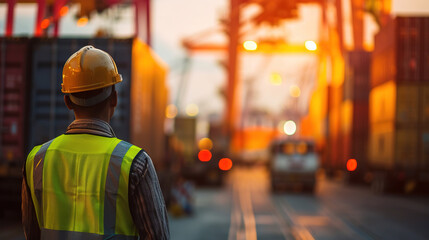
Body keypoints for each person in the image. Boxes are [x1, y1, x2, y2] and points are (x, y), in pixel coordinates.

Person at [21, 46, 170, 240]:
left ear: (67, 101)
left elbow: (31, 233)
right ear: (114, 98)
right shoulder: (135, 163)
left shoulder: (37, 160)